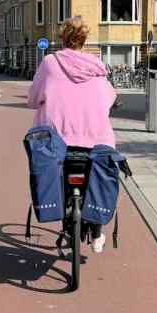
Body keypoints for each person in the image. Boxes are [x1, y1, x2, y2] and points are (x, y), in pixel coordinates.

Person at [27, 17, 116, 252]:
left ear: (62, 38)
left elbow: (33, 98)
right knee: (97, 175)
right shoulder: (97, 66)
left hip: (58, 141)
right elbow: (109, 97)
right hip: (96, 139)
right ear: (84, 40)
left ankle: (62, 212)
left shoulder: (49, 63)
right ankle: (97, 231)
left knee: (56, 171)